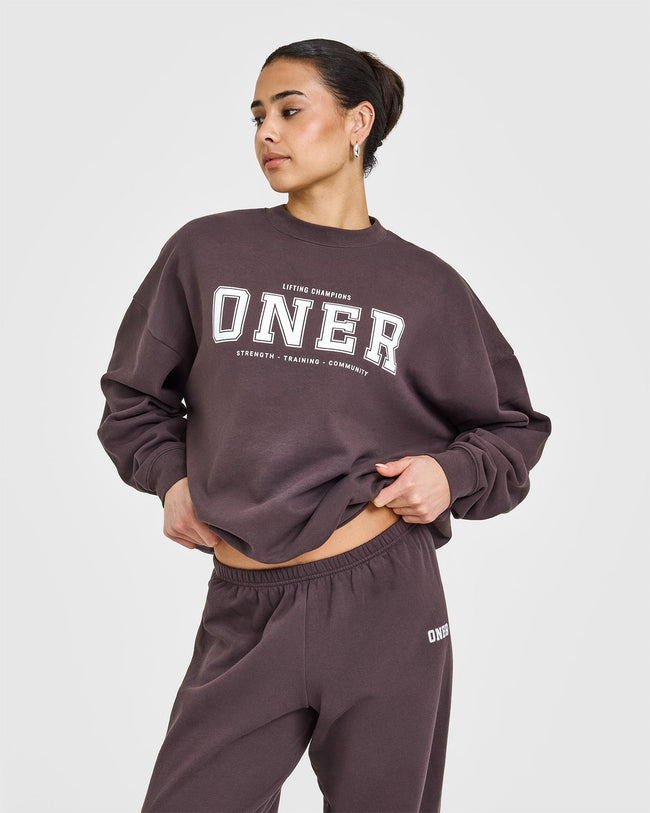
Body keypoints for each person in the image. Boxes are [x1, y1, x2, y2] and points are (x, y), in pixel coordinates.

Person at [97, 37, 551, 813]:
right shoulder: (207, 251)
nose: (266, 132)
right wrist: (170, 479)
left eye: (289, 110)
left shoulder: (425, 286)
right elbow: (133, 396)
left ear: (356, 124)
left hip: (384, 599)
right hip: (244, 603)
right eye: (257, 116)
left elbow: (514, 429)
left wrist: (449, 475)